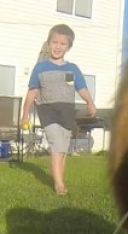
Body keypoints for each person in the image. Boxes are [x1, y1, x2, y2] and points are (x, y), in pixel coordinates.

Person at [21, 24, 96, 195]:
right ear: (49, 43)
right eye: (54, 42)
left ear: (68, 47)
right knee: (57, 144)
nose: (58, 46)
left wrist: (90, 102)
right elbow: (32, 92)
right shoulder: (40, 68)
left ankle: (60, 178)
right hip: (48, 112)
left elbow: (81, 88)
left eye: (63, 44)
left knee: (63, 148)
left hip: (66, 113)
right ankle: (59, 184)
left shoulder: (72, 69)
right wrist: (25, 114)